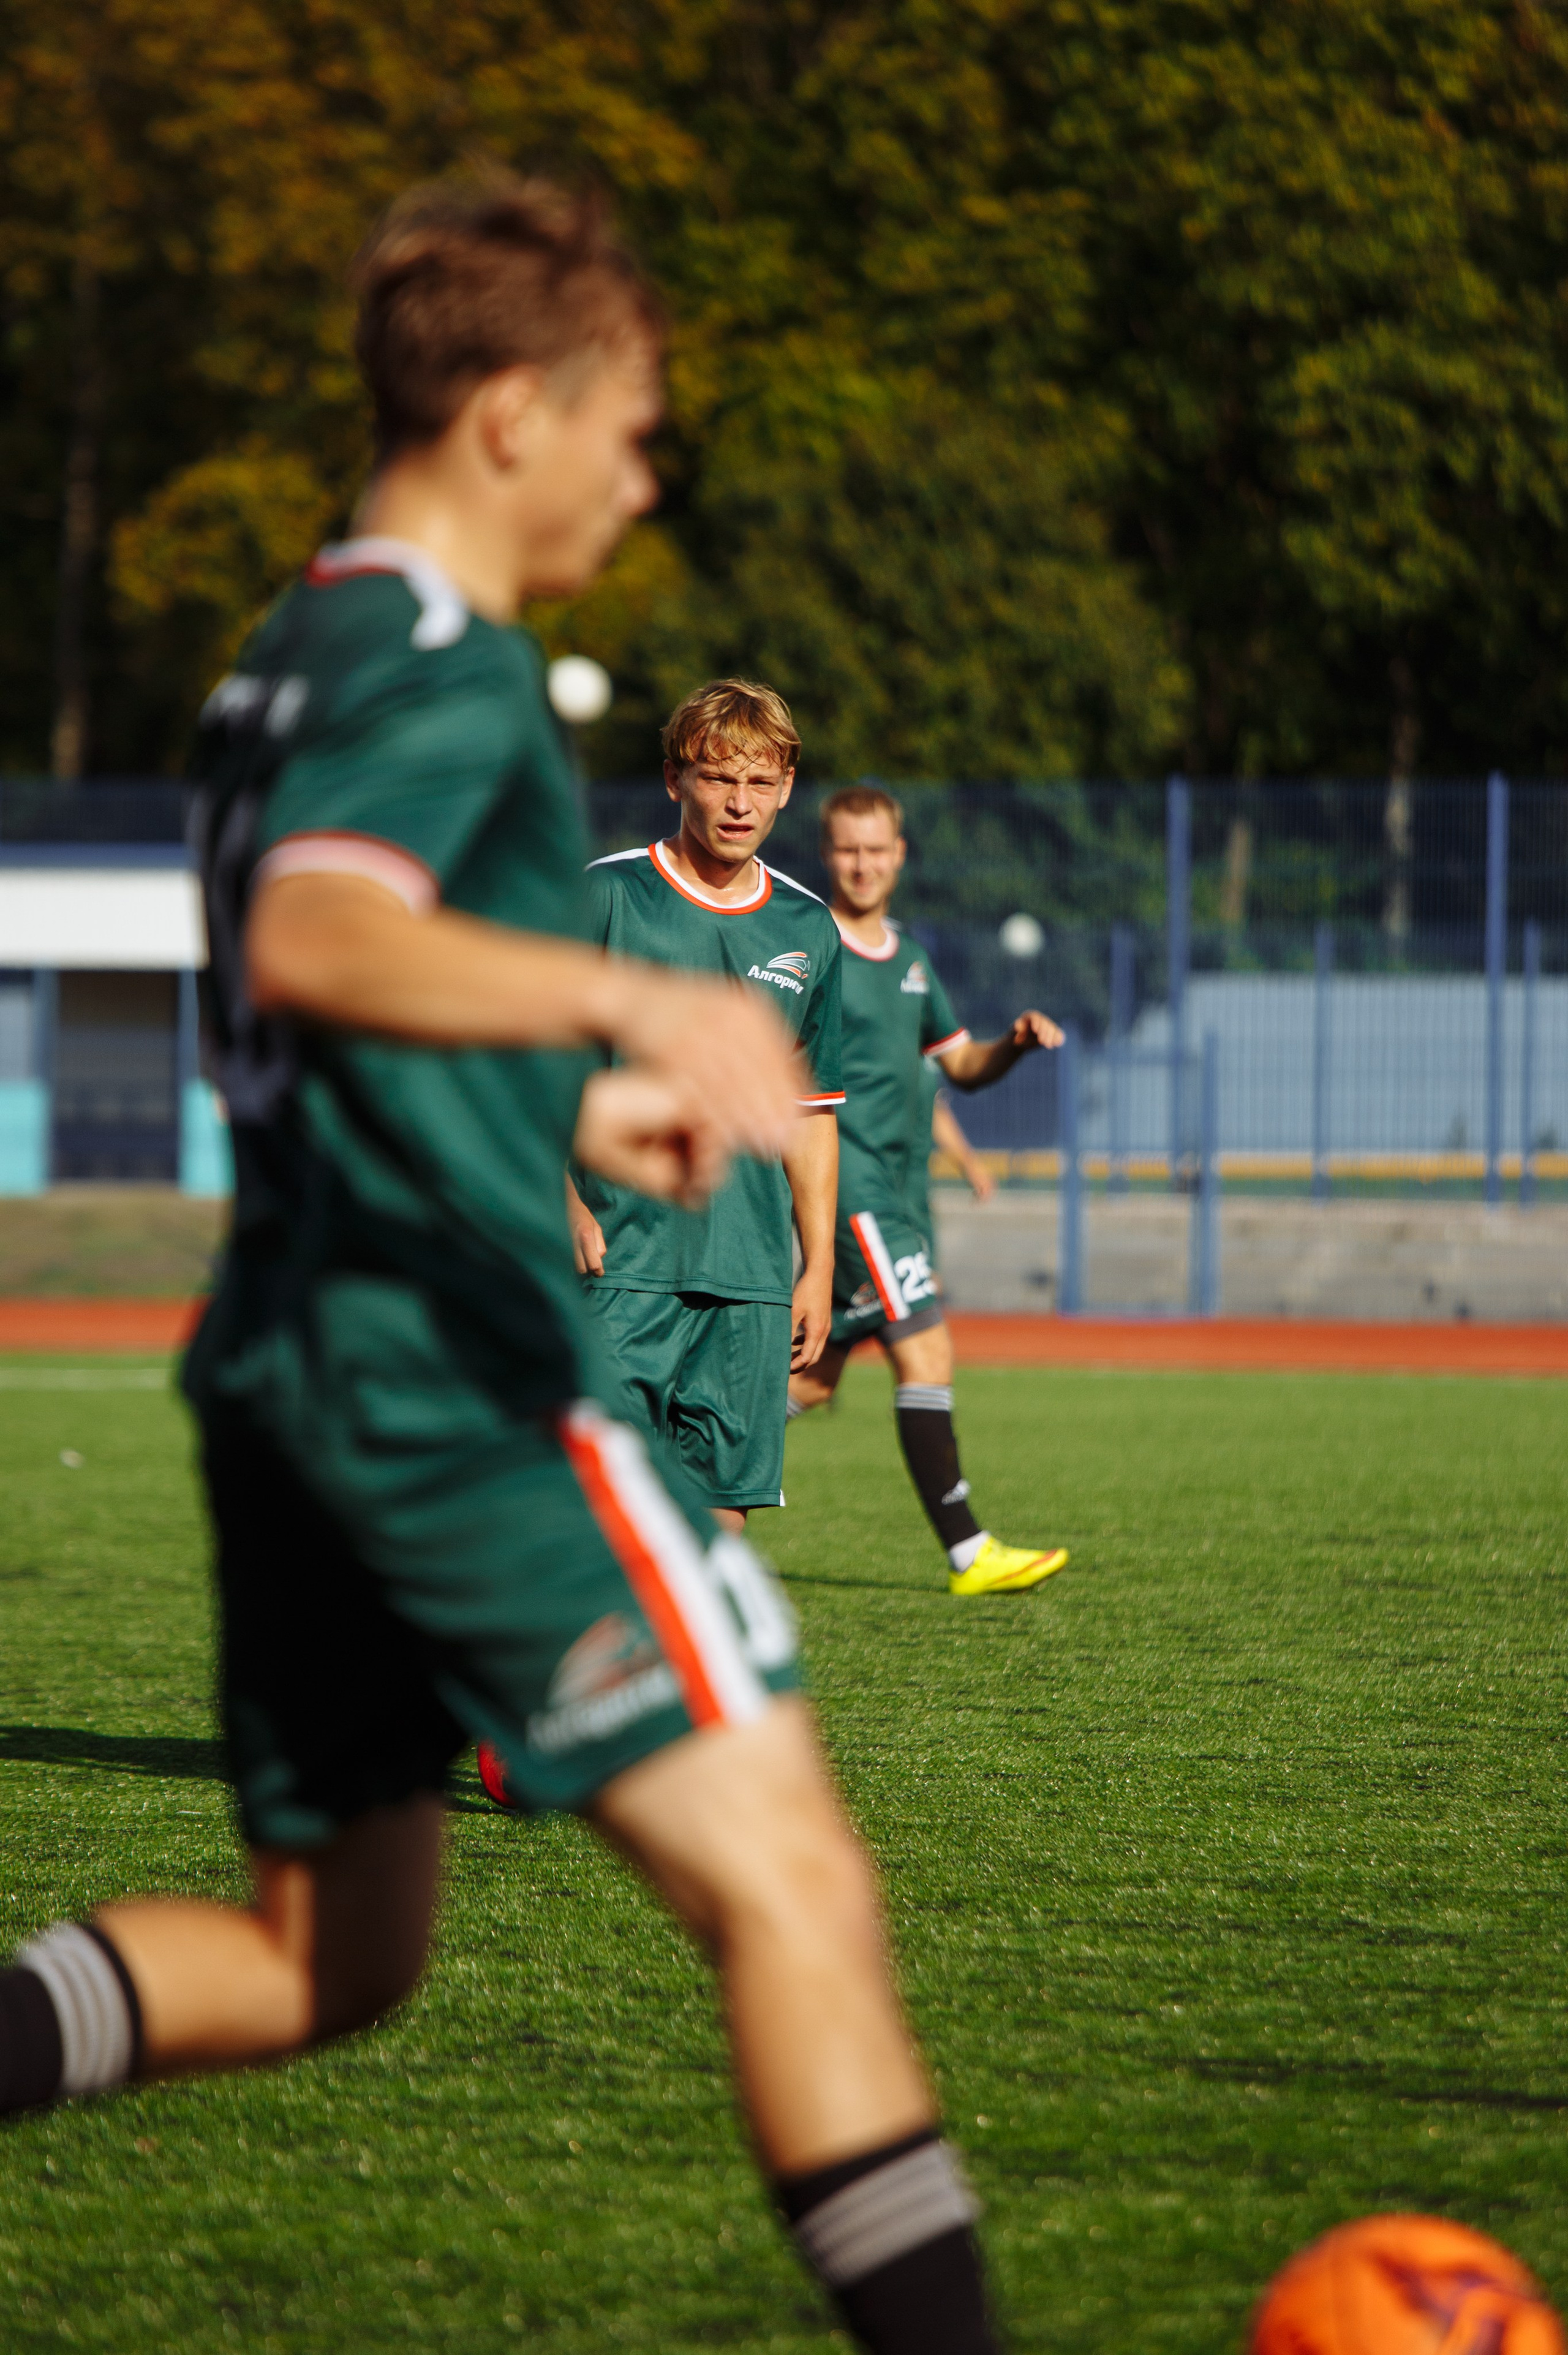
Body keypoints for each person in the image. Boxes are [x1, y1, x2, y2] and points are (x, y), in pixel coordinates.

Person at [0, 179, 1001, 2355]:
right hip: (445, 1371)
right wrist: (631, 1002)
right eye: (630, 428)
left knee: (325, 1960)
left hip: (289, 1364)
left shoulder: (290, 648)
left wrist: (557, 1099)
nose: (643, 481)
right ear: (509, 411)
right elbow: (316, 936)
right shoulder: (442, 668)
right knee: (798, 1883)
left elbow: (325, 989)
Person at [564, 679, 842, 1537]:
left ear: (787, 788)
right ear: (674, 779)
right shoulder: (607, 897)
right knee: (605, 1503)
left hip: (750, 1273)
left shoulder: (808, 927)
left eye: (760, 782)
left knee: (724, 1511)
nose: (739, 803)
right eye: (718, 778)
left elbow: (809, 1112)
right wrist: (561, 1200)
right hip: (621, 1261)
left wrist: (817, 1263)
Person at [788, 785, 1069, 1597]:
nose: (863, 864)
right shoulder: (807, 946)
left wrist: (1013, 1044)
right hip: (847, 1186)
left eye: (876, 849)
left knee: (812, 1379)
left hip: (894, 1194)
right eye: (848, 849)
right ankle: (969, 1552)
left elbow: (963, 1067)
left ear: (900, 855)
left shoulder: (910, 959)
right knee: (926, 1348)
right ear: (827, 853)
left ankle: (660, 1466)